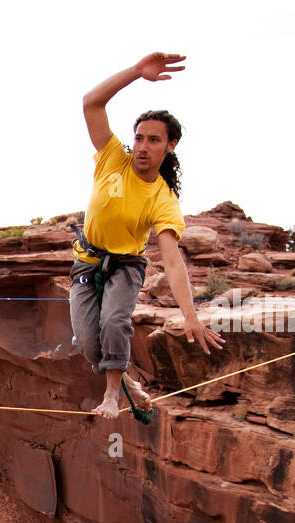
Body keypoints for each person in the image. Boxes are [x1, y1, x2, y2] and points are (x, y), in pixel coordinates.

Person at [71, 51, 224, 419]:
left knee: (114, 323)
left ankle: (112, 395)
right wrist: (137, 72)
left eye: (154, 140)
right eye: (139, 138)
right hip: (87, 261)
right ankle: (130, 383)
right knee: (89, 344)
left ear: (170, 146)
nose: (142, 146)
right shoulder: (113, 158)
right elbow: (91, 102)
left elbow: (171, 260)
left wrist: (190, 315)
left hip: (125, 266)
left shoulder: (163, 198)